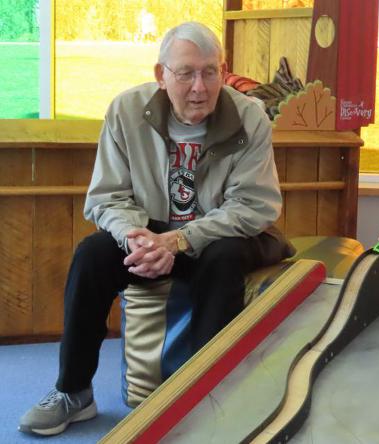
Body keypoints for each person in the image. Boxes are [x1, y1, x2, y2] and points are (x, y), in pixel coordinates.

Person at [19, 21, 294, 436]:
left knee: (223, 256)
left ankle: (206, 397)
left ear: (223, 70)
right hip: (150, 231)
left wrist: (181, 238)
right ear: (160, 75)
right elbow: (106, 198)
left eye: (210, 71)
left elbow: (253, 205)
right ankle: (74, 392)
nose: (199, 86)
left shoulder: (249, 116)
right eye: (185, 73)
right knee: (92, 254)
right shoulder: (126, 111)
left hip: (224, 234)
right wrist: (137, 238)